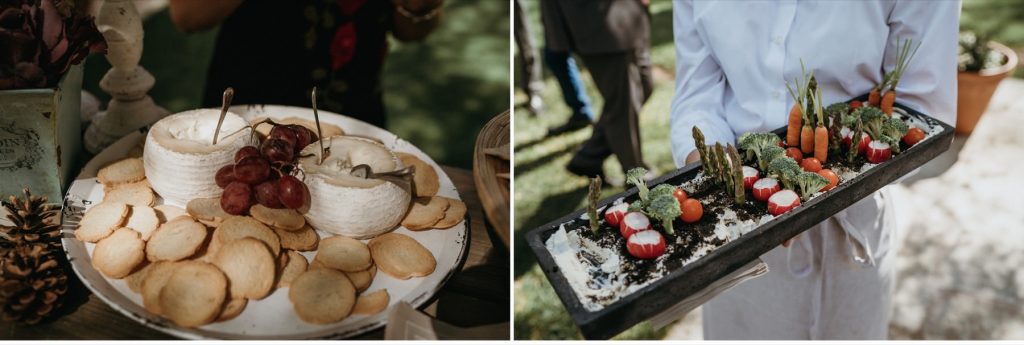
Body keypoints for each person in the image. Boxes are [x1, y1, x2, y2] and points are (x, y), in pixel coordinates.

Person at [669, 0, 958, 339]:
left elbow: (921, 110)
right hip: (736, 230)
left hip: (849, 230)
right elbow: (696, 97)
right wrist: (723, 181)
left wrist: (809, 194)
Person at [167, 0, 443, 128]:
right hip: (250, 118)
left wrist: (419, 7)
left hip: (356, 116)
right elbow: (188, 15)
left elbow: (412, 30)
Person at [541, 0, 653, 183]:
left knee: (644, 87)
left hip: (630, 15)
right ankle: (636, 175)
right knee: (623, 103)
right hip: (598, 23)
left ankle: (589, 156)